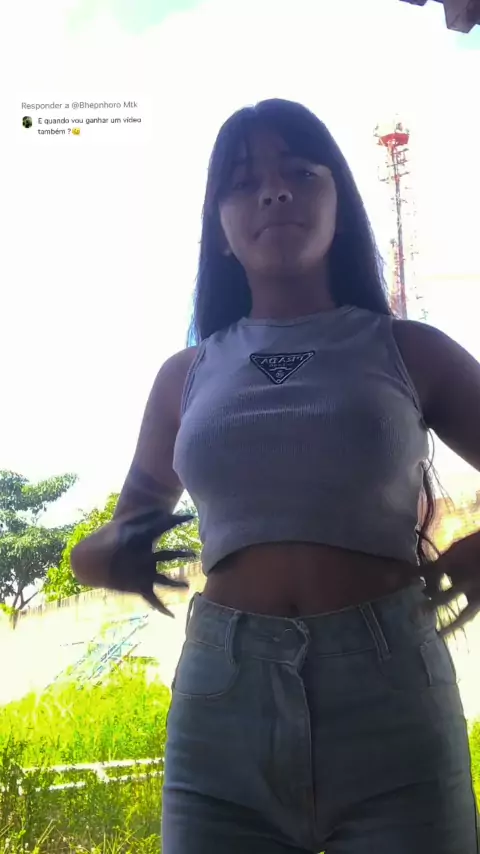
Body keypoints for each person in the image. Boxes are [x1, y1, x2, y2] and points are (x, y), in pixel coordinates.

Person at [71, 99, 480, 853]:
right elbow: (117, 532)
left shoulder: (410, 349)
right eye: (243, 181)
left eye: (299, 171)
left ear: (339, 204)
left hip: (393, 699)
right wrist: (100, 556)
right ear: (220, 230)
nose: (274, 190)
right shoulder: (184, 377)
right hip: (221, 708)